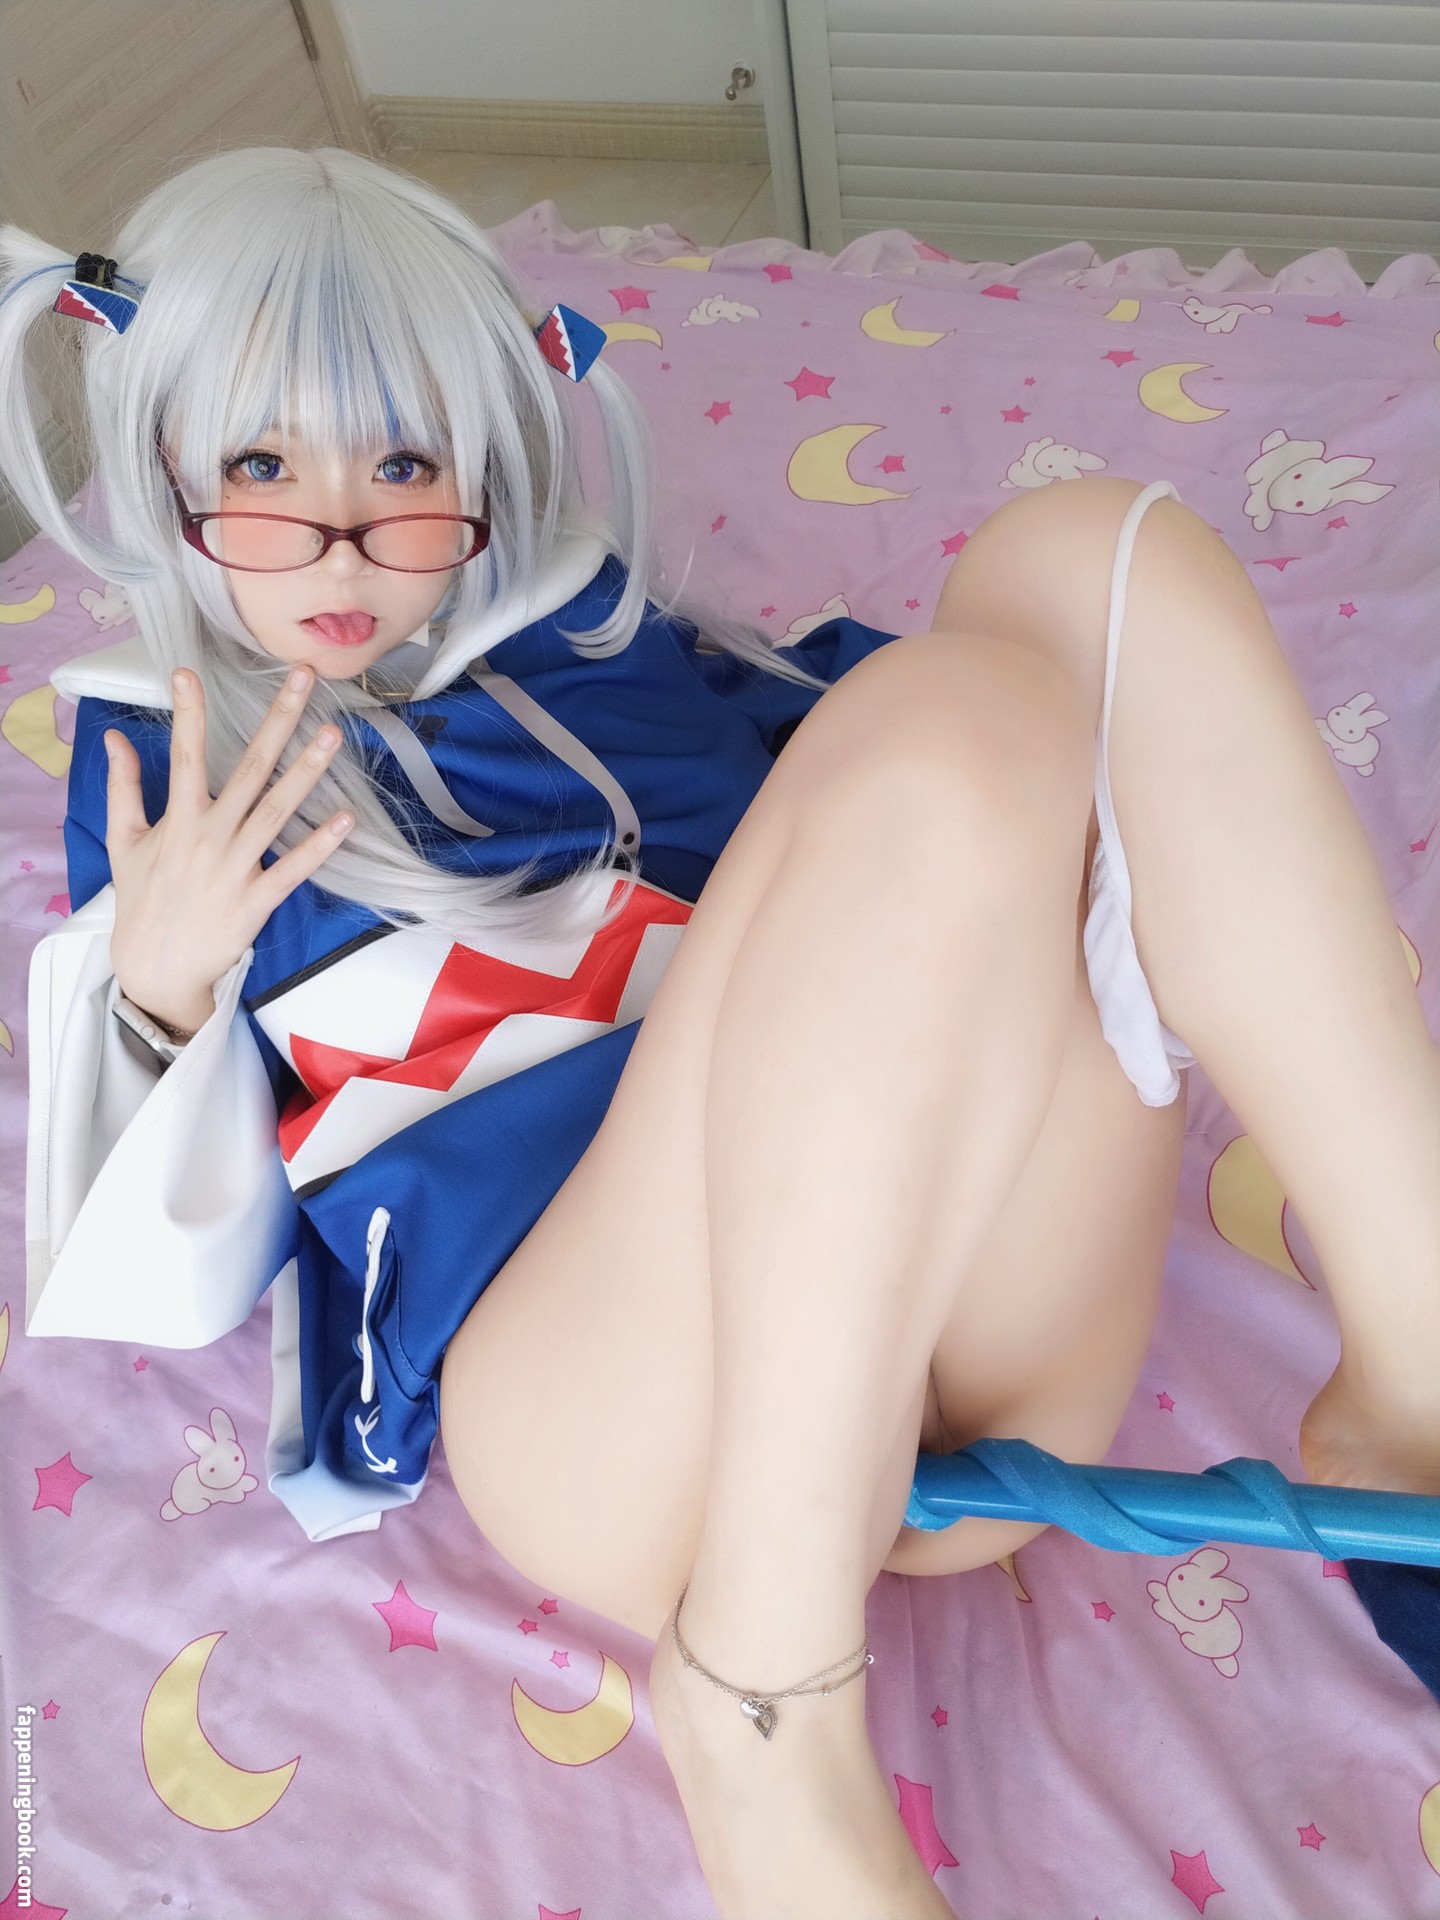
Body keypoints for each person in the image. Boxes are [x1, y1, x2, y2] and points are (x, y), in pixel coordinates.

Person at [9, 145, 1440, 1917]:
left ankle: (1418, 1371)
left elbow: (955, 812)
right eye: (257, 467)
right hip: (620, 1425)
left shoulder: (613, 645)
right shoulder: (170, 769)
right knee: (958, 715)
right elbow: (145, 1281)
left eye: (402, 463)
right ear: (158, 464)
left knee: (1092, 554)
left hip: (948, 1360)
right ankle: (761, 1699)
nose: (343, 537)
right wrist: (156, 994)